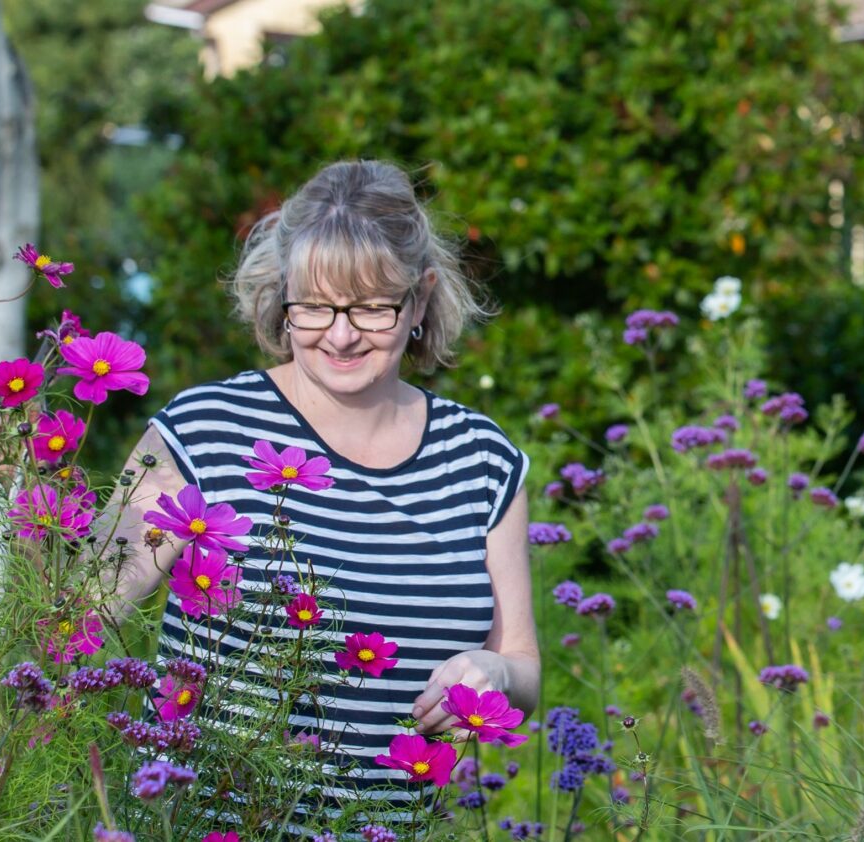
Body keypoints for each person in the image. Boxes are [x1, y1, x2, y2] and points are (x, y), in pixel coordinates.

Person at [106, 160, 541, 829]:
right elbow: (84, 607)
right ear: (282, 295)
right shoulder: (203, 432)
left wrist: (494, 673)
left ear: (420, 299)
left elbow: (522, 666)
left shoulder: (481, 460)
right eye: (314, 306)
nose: (340, 335)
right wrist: (24, 478)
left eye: (371, 307)